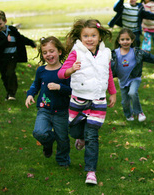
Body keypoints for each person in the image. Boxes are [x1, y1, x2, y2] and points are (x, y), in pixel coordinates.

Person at [57, 19, 117, 185]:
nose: (89, 39)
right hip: (79, 100)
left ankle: (91, 172)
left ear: (99, 37)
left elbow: (108, 73)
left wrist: (112, 92)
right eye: (86, 36)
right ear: (80, 37)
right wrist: (71, 69)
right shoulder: (77, 52)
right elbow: (61, 74)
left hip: (98, 101)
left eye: (93, 35)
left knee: (92, 136)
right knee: (75, 131)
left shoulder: (106, 53)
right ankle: (80, 138)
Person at [25, 36, 71, 167]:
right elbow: (35, 85)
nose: (48, 55)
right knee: (39, 132)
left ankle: (63, 160)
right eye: (45, 52)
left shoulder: (65, 71)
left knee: (63, 139)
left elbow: (72, 90)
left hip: (61, 111)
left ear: (59, 52)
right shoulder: (41, 70)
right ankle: (48, 142)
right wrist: (30, 94)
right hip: (44, 109)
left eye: (52, 51)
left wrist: (60, 87)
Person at [111, 28, 154, 122]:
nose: (125, 42)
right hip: (122, 80)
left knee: (132, 92)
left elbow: (149, 57)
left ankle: (139, 112)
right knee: (125, 102)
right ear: (119, 41)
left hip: (134, 78)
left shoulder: (137, 52)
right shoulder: (114, 54)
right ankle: (129, 114)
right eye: (122, 39)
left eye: (127, 39)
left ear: (132, 40)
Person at [0, 10, 36, 101]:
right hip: (2, 58)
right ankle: (9, 92)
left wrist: (31, 43)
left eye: (0, 24)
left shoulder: (12, 30)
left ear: (5, 21)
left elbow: (20, 38)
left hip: (12, 57)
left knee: (10, 73)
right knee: (4, 76)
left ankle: (12, 93)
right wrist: (6, 41)